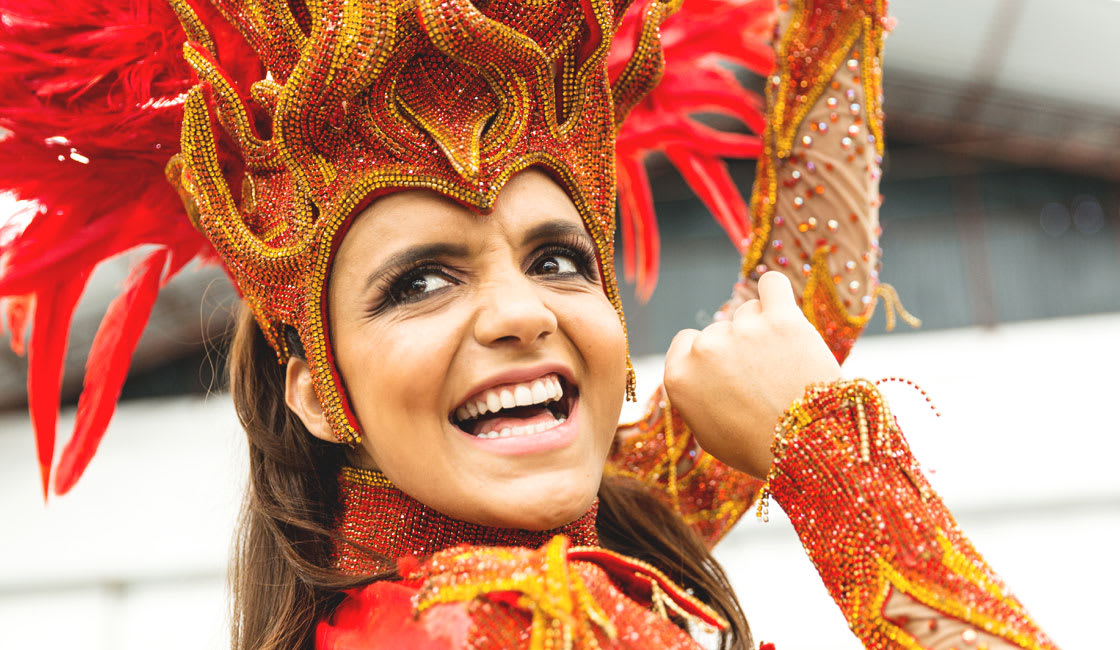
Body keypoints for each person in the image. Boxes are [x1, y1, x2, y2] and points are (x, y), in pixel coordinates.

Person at [0, 1, 1060, 649]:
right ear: (316, 386)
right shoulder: (528, 620)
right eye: (419, 282)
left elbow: (808, 300)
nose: (518, 312)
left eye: (558, 258)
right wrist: (838, 466)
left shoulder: (450, 583)